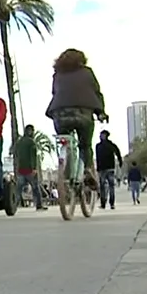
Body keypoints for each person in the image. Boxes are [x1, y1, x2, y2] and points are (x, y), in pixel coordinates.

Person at [45, 49, 107, 193]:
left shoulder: (57, 75)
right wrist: (101, 113)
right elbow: (96, 92)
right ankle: (87, 170)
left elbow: (55, 93)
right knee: (85, 145)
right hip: (83, 114)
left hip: (59, 115)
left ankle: (65, 168)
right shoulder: (87, 72)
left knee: (65, 141)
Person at [15, 124, 47, 210]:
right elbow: (33, 156)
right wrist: (34, 168)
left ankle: (14, 205)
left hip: (21, 169)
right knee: (35, 188)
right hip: (29, 170)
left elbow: (16, 154)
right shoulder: (31, 142)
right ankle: (39, 205)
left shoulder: (19, 142)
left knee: (18, 189)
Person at [95, 130, 123, 209]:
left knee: (108, 186)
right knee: (105, 187)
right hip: (104, 168)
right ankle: (105, 203)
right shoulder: (101, 146)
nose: (101, 136)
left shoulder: (106, 145)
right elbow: (97, 158)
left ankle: (110, 203)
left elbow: (118, 153)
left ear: (106, 136)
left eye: (102, 135)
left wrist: (120, 161)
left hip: (108, 168)